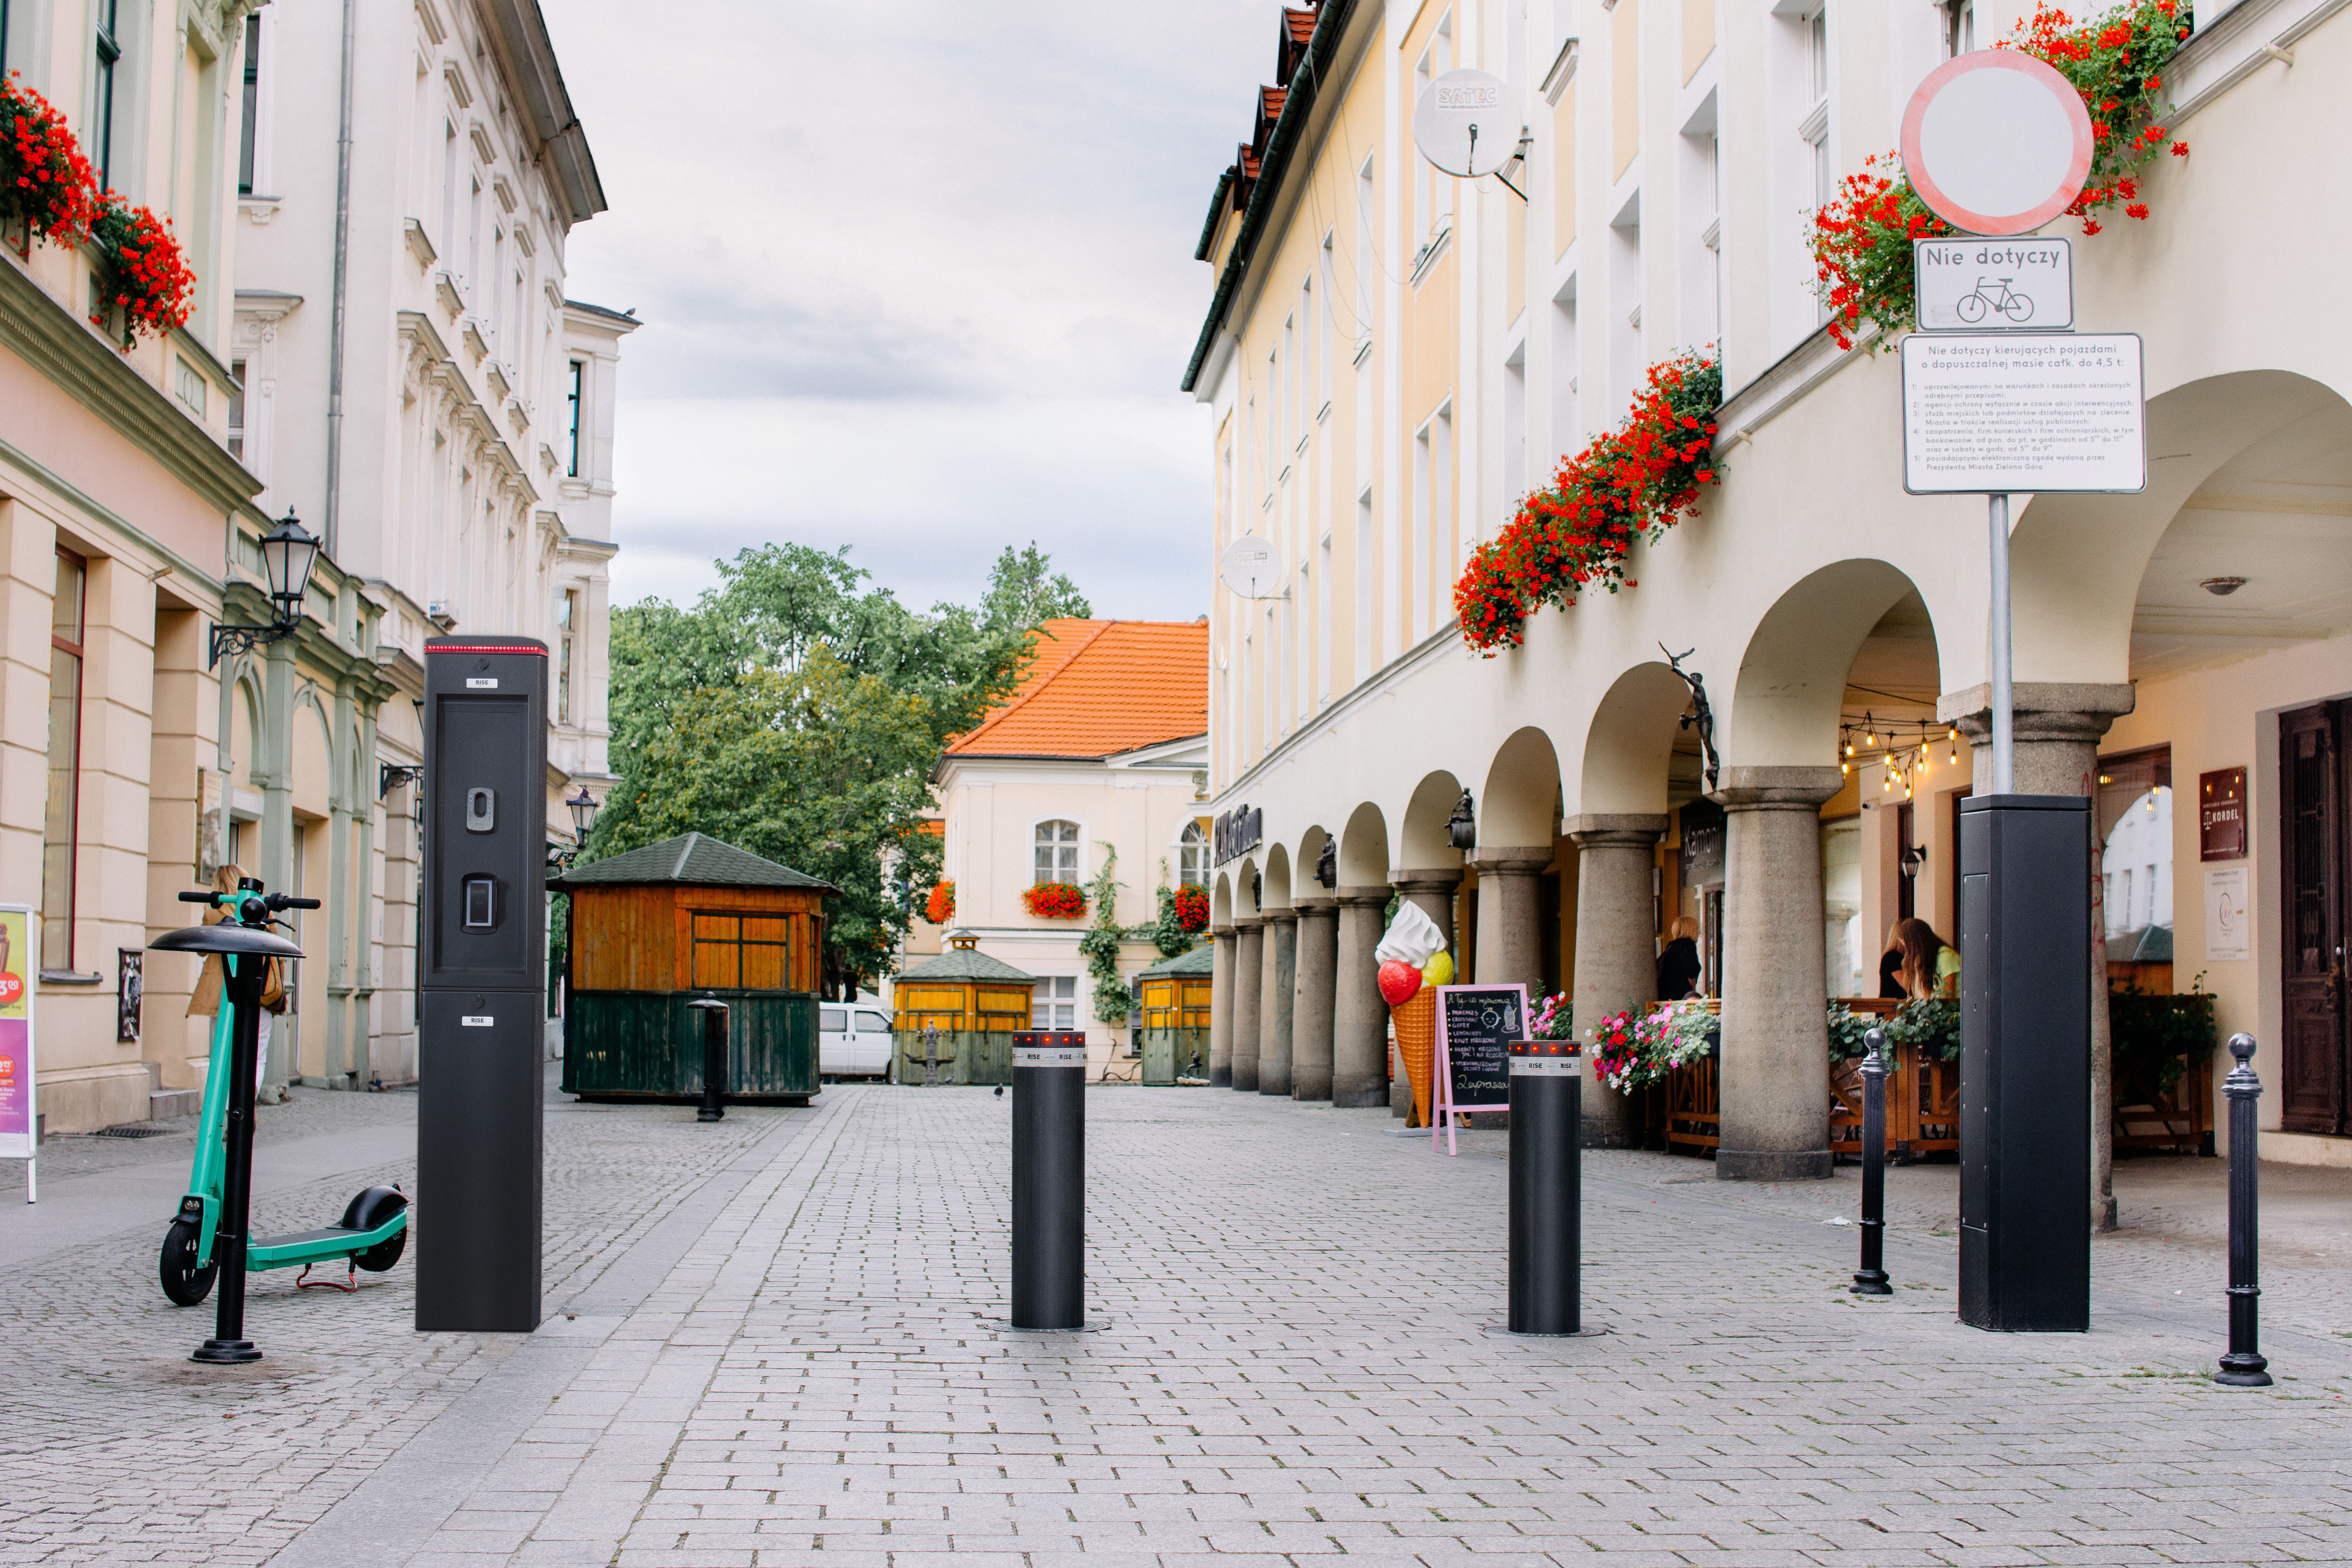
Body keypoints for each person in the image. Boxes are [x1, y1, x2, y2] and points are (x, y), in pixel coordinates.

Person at [1893, 916, 1960, 999]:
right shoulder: (1928, 960)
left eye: (1907, 946)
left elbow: (1949, 996)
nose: (1907, 952)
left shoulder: (1946, 956)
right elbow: (1927, 995)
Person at [1657, 915, 1702, 1000]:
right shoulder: (1688, 945)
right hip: (1679, 998)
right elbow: (1691, 971)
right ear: (1691, 929)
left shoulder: (1671, 947)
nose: (1698, 932)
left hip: (1666, 997)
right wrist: (1692, 992)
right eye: (1697, 929)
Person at [1877, 922, 1907, 999]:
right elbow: (1905, 984)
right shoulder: (1892, 957)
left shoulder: (1898, 956)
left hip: (1896, 1005)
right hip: (1890, 1007)